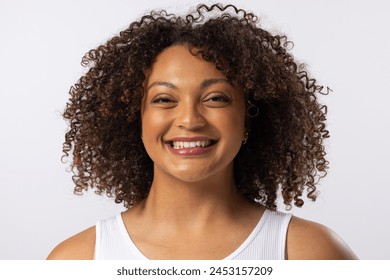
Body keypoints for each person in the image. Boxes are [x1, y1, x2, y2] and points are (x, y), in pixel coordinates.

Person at [47, 3, 357, 260]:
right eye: (164, 99)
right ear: (134, 119)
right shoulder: (77, 260)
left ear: (249, 119)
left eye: (216, 98)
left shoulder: (310, 253)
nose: (190, 119)